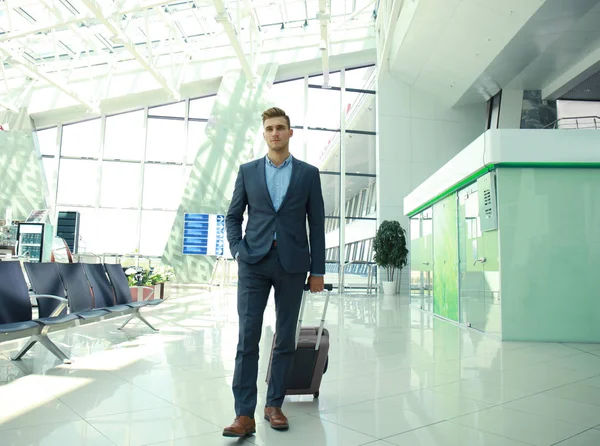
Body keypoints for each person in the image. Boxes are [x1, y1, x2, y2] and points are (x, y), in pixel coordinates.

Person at [223, 107, 326, 437]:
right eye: (269, 128)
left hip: (294, 265)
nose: (275, 133)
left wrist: (318, 270)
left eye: (281, 128)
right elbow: (233, 216)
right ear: (264, 133)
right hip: (254, 263)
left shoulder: (309, 174)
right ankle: (244, 415)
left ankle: (274, 405)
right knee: (247, 338)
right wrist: (239, 251)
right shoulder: (248, 171)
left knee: (285, 338)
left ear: (290, 133)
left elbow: (318, 225)